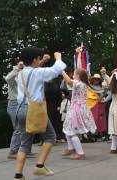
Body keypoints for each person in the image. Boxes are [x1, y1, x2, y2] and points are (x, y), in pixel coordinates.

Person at [14, 47, 66, 180]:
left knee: (24, 144)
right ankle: (39, 166)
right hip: (34, 110)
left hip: (20, 109)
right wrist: (58, 58)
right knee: (50, 136)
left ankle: (18, 175)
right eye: (38, 58)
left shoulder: (20, 74)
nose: (39, 60)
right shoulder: (37, 73)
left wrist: (43, 61)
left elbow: (36, 72)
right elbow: (56, 70)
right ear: (34, 60)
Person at [61, 69, 97, 160]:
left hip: (77, 109)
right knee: (67, 127)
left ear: (78, 76)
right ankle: (71, 148)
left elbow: (68, 81)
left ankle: (80, 154)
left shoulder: (79, 84)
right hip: (78, 108)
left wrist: (61, 70)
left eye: (74, 74)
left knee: (72, 131)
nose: (73, 75)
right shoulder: (83, 84)